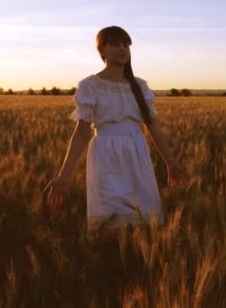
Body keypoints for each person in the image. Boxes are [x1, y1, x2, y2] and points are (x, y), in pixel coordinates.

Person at [43, 25, 189, 237]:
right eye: (114, 43)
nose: (122, 49)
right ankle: (109, 264)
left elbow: (153, 127)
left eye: (126, 44)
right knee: (109, 224)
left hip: (136, 152)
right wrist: (64, 176)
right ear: (101, 51)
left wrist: (172, 164)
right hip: (105, 154)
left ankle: (134, 266)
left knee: (143, 224)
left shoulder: (139, 85)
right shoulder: (90, 85)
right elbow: (82, 133)